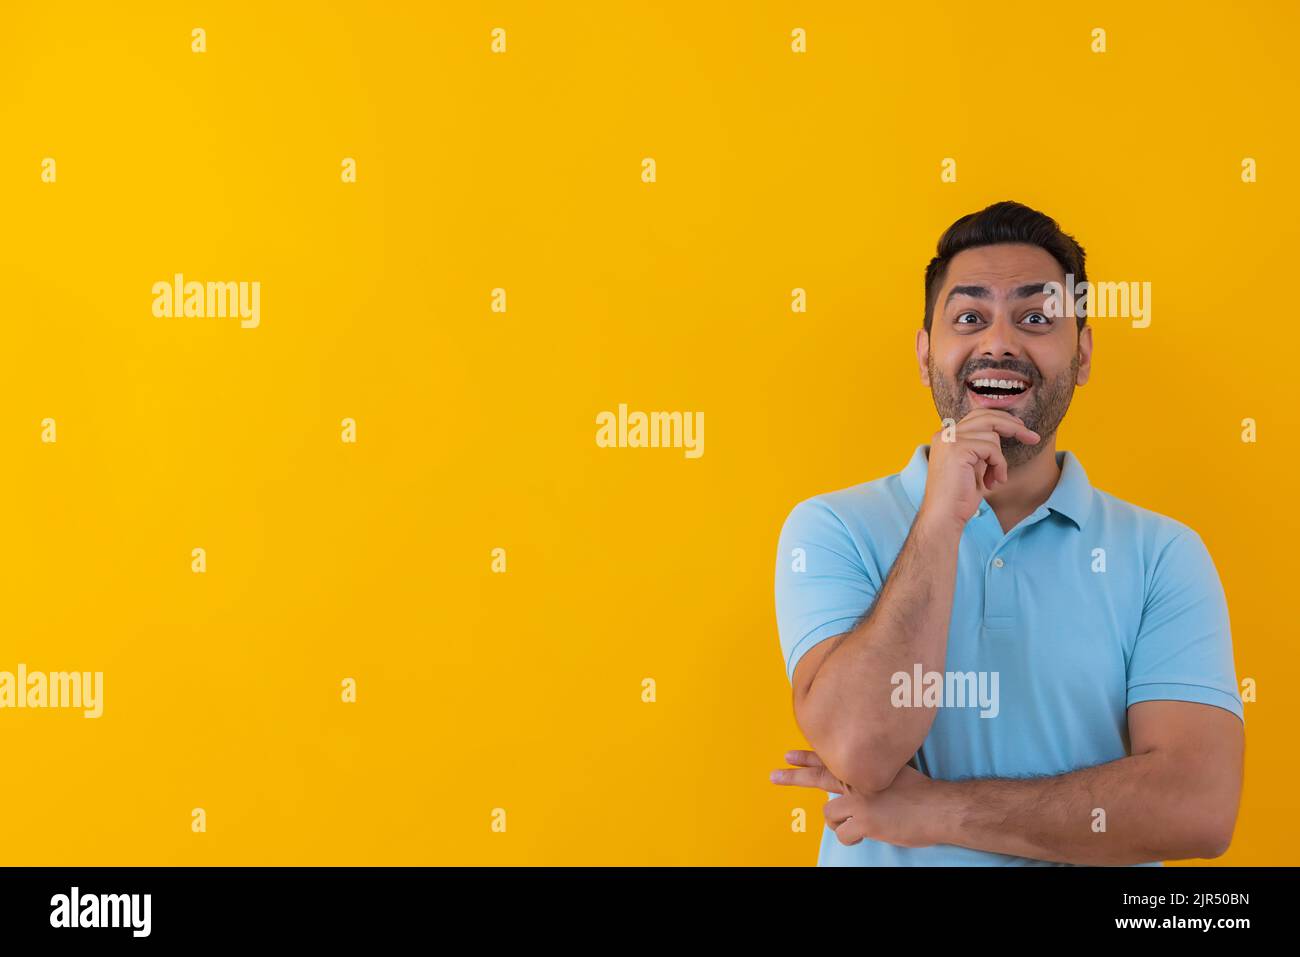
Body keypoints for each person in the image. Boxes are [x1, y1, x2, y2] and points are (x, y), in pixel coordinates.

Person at [770, 201, 1245, 865]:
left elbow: (1195, 804)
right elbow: (860, 746)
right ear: (924, 352)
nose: (999, 342)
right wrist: (940, 519)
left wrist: (935, 810)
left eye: (1035, 318)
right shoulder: (830, 529)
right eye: (969, 317)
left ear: (1081, 355)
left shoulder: (1164, 555)